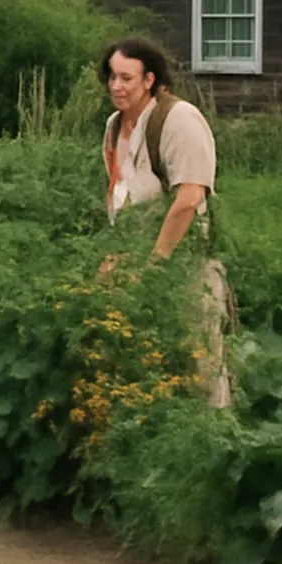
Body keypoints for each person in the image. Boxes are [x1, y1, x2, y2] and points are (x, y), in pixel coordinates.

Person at [95, 37, 234, 408]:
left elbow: (189, 198)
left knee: (197, 361)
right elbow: (118, 192)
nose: (116, 86)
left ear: (149, 80)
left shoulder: (179, 119)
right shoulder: (113, 126)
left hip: (180, 262)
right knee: (136, 362)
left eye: (126, 78)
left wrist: (154, 264)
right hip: (131, 260)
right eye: (112, 77)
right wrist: (115, 254)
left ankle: (213, 440)